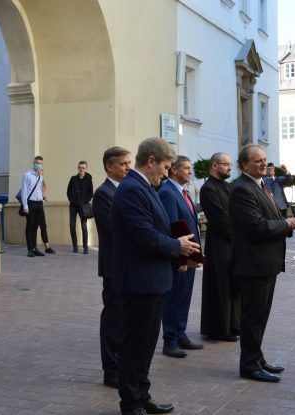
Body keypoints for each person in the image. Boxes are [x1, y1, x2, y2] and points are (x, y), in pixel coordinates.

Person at [111, 137, 200, 415]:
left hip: (152, 279)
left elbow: (159, 228)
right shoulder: (131, 189)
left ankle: (142, 395)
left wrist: (182, 250)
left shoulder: (145, 187)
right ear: (151, 161)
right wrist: (177, 246)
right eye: (165, 167)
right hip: (139, 281)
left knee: (146, 345)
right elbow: (144, 235)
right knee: (135, 345)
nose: (165, 173)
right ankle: (130, 403)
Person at [230, 144, 295, 383]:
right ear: (244, 165)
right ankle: (249, 365)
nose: (263, 163)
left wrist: (287, 222)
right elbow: (256, 225)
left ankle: (257, 358)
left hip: (266, 262)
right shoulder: (242, 188)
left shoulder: (261, 184)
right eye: (257, 160)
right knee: (253, 317)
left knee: (261, 316)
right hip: (254, 264)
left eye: (264, 159)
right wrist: (286, 224)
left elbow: (272, 216)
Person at [92, 147, 132, 389]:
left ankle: (123, 364)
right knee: (113, 319)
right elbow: (113, 230)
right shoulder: (103, 194)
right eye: (123, 164)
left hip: (129, 266)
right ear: (109, 166)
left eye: (129, 163)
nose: (128, 167)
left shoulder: (126, 191)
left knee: (126, 319)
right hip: (114, 266)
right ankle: (111, 370)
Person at [159, 156, 204, 358]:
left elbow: (191, 223)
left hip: (189, 254)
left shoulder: (183, 192)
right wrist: (181, 258)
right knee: (174, 298)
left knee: (184, 296)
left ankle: (180, 334)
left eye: (190, 168)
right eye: (186, 168)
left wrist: (195, 254)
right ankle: (170, 340)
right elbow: (172, 227)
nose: (190, 172)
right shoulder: (168, 192)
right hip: (179, 255)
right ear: (174, 170)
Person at [199, 152, 240, 342]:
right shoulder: (208, 189)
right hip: (219, 244)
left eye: (230, 164)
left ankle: (233, 325)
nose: (230, 167)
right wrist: (239, 235)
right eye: (226, 164)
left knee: (232, 285)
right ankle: (220, 329)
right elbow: (221, 219)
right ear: (215, 166)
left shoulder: (227, 186)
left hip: (232, 243)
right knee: (220, 285)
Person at [20, 156, 56, 257]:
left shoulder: (40, 176)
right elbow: (24, 191)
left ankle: (35, 248)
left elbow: (39, 189)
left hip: (39, 203)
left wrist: (42, 198)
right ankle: (30, 249)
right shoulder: (27, 175)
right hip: (30, 203)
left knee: (38, 225)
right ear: (33, 163)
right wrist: (25, 206)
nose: (39, 165)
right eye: (37, 163)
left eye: (40, 163)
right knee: (30, 226)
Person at [67, 161, 93, 254]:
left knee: (84, 227)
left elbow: (90, 193)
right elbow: (68, 191)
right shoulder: (73, 179)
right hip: (73, 206)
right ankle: (75, 246)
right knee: (72, 225)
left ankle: (85, 247)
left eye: (83, 168)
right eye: (80, 167)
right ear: (78, 168)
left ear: (86, 168)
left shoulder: (89, 179)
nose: (81, 169)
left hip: (83, 206)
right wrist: (72, 199)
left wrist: (85, 202)